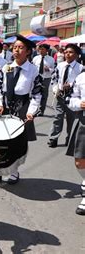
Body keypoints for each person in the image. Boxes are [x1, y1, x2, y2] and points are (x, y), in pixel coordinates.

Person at [0, 34, 42, 185]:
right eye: (15, 48)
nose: (17, 50)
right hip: (5, 107)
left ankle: (14, 172)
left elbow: (37, 94)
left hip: (22, 108)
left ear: (27, 51)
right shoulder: (6, 67)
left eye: (20, 48)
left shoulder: (33, 70)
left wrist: (31, 112)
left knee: (17, 142)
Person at [48, 44, 83, 148]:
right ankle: (53, 138)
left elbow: (82, 84)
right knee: (57, 117)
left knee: (71, 119)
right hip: (60, 96)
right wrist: (55, 89)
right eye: (66, 52)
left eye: (71, 52)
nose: (67, 54)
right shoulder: (60, 65)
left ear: (76, 55)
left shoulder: (81, 68)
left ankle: (70, 139)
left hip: (73, 98)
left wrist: (71, 85)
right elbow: (54, 78)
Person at [66, 70, 85, 215]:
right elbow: (70, 99)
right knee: (79, 162)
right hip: (84, 122)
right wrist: (79, 103)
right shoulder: (81, 77)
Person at [32, 43, 55, 115]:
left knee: (44, 95)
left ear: (47, 50)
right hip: (36, 78)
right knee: (34, 93)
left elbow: (54, 70)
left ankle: (41, 110)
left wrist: (49, 69)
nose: (40, 51)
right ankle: (33, 109)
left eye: (42, 49)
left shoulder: (51, 59)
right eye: (39, 49)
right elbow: (32, 68)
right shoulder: (35, 58)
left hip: (46, 78)